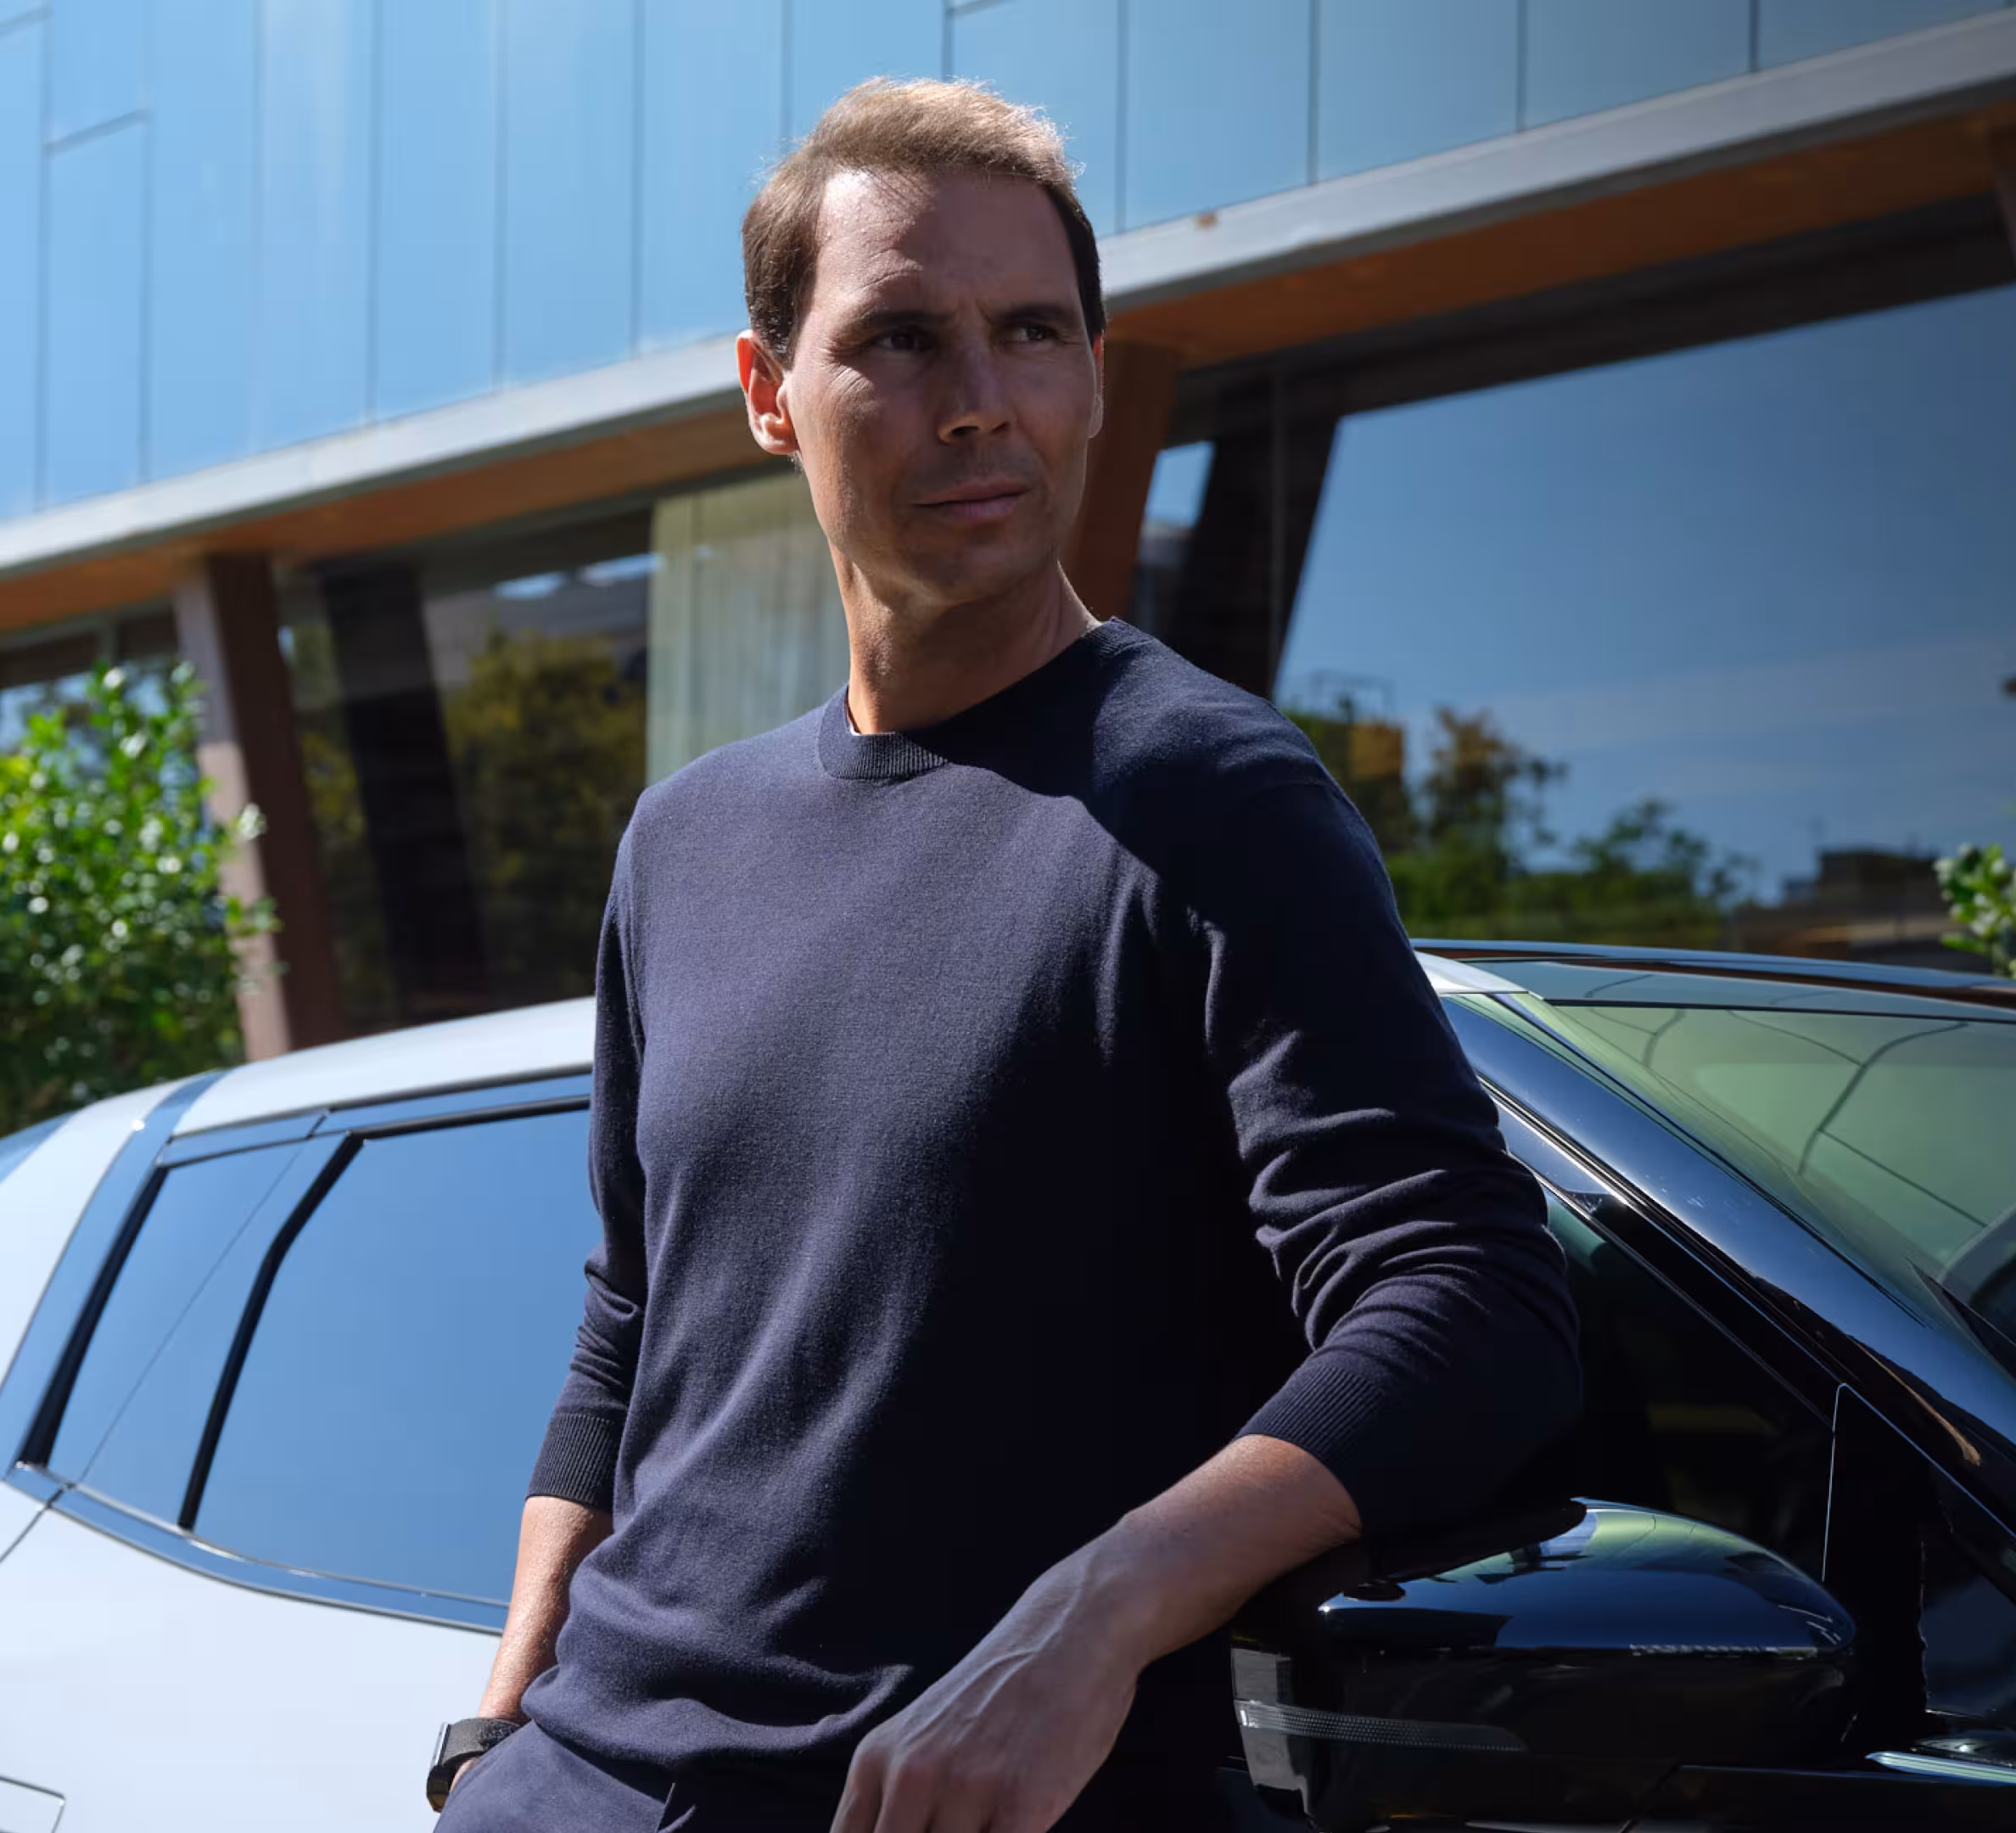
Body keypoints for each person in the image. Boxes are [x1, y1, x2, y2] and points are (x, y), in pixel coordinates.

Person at [431, 79, 1582, 1833]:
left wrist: (1095, 1616)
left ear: (1097, 376)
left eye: (1031, 332)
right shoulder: (685, 843)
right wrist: (496, 1733)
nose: (979, 403)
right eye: (899, 338)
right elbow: (628, 1326)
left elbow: (1471, 1299)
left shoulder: (1209, 795)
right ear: (769, 396)